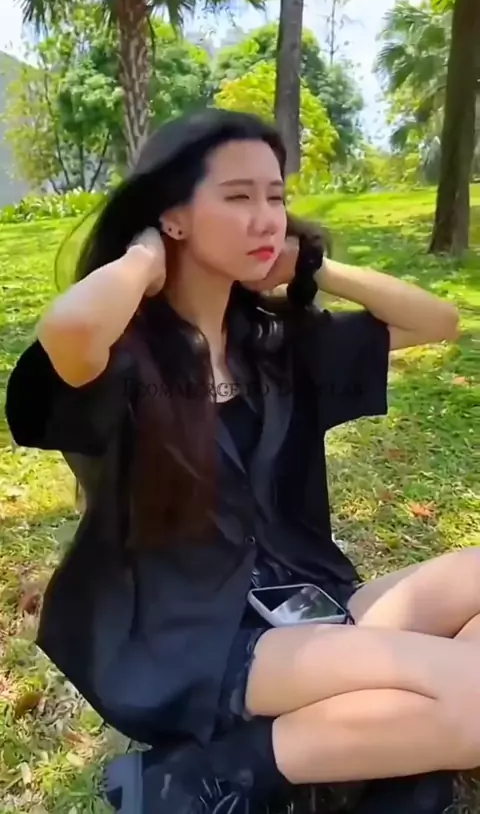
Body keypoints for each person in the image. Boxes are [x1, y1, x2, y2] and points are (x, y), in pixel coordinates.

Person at [4, 108, 478, 814]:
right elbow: (68, 328)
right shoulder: (124, 358)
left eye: (275, 196)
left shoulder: (272, 343)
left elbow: (436, 321)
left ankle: (355, 750)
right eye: (237, 196)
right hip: (196, 635)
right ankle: (200, 779)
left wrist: (313, 266)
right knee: (471, 696)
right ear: (174, 216)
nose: (265, 218)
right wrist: (142, 261)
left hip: (304, 600)